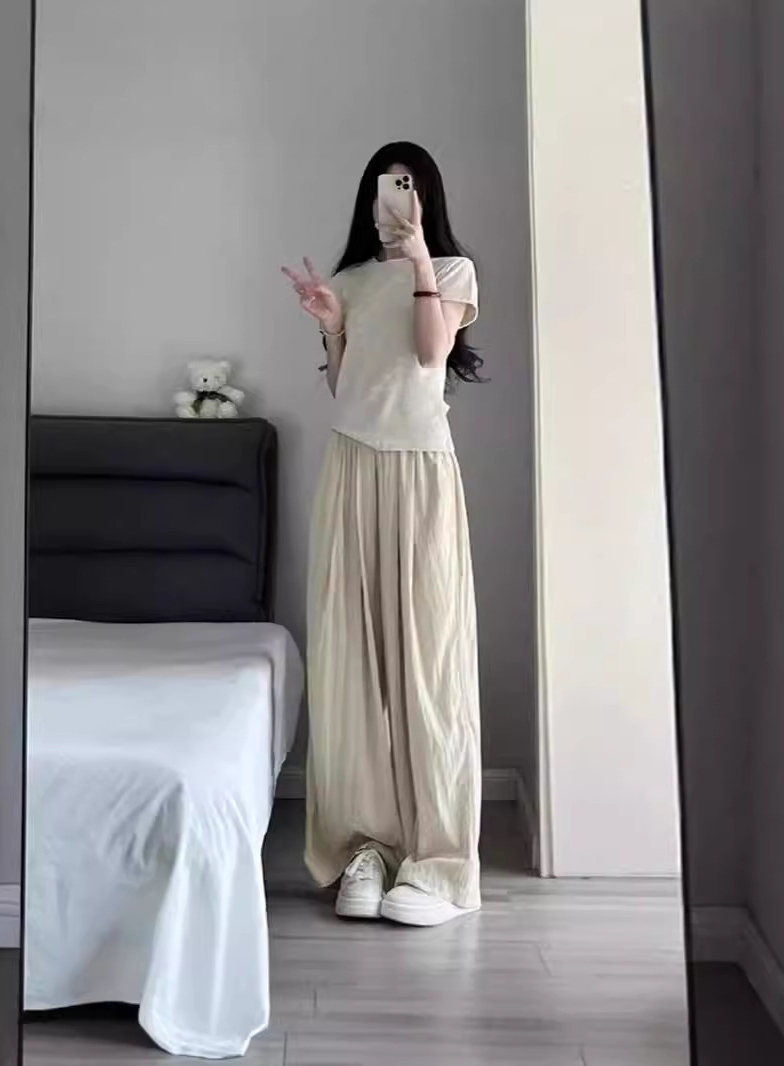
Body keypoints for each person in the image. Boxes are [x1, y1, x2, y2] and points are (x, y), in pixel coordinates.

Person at [281, 142, 484, 928]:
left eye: (405, 186)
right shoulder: (353, 280)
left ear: (425, 195)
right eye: (382, 186)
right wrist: (333, 327)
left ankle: (439, 865)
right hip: (352, 464)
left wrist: (421, 257)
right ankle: (365, 849)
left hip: (421, 471)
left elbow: (431, 353)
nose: (391, 197)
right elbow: (347, 386)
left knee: (427, 662)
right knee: (352, 664)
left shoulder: (453, 271)